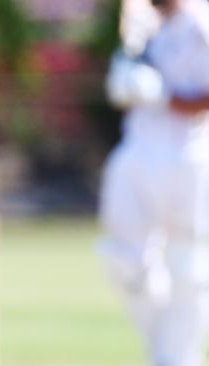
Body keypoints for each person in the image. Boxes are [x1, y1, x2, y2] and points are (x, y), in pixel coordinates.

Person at [99, 0, 209, 365]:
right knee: (122, 261)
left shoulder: (200, 23)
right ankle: (167, 351)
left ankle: (176, 357)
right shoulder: (142, 21)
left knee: (188, 266)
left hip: (186, 154)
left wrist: (166, 96)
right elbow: (131, 92)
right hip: (136, 150)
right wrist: (125, 79)